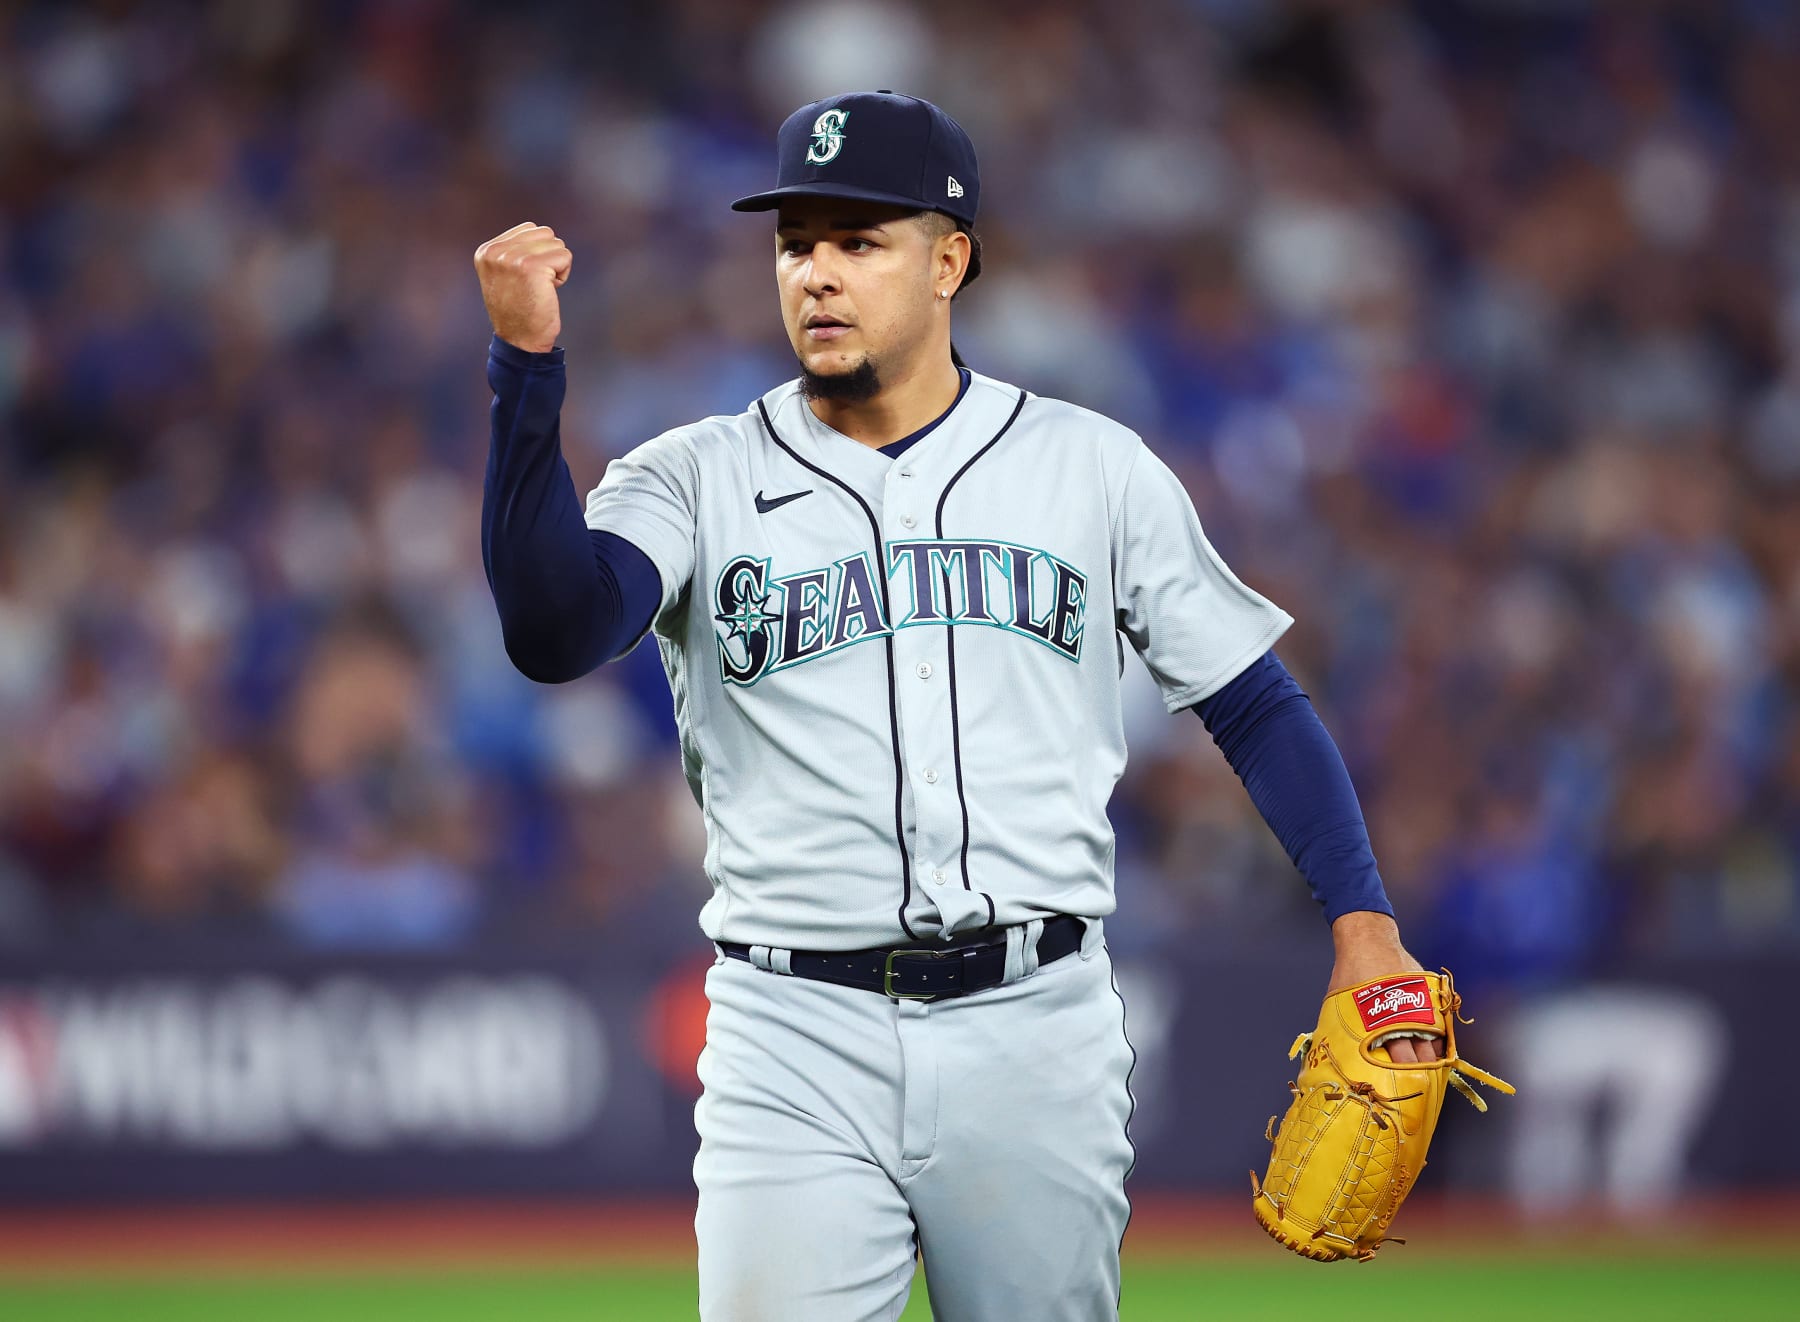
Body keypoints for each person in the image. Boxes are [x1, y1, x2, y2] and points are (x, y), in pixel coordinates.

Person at [476, 90, 1438, 1322]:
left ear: (950, 259)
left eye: (858, 239)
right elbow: (554, 633)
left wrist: (1364, 921)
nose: (817, 272)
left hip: (1036, 1026)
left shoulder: (1090, 468)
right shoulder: (694, 476)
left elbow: (1254, 702)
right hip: (793, 1031)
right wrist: (526, 369)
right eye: (796, 242)